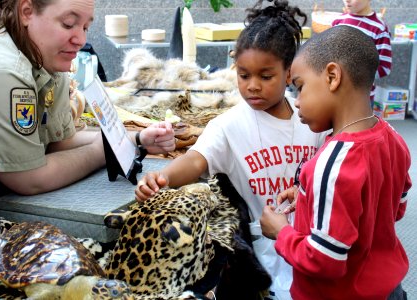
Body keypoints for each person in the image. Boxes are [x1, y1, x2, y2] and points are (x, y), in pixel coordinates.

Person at [135, 0, 327, 298]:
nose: (252, 85)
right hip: (262, 252)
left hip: (313, 243)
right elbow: (196, 160)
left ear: (289, 73)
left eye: (266, 76)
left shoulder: (310, 120)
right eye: (243, 74)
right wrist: (161, 179)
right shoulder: (229, 125)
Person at [0, 0, 175, 197]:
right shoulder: (1, 70)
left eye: (86, 27)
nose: (81, 40)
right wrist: (103, 150)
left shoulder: (41, 51)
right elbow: (29, 179)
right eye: (68, 24)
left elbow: (60, 142)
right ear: (26, 11)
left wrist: (134, 138)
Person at [260, 25, 411, 300]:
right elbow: (394, 207)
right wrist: (308, 197)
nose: (296, 102)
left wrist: (281, 232)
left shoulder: (332, 163)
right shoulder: (392, 137)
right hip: (389, 288)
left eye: (299, 87)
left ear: (332, 76)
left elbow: (323, 259)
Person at [332, 0, 392, 104]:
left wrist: (356, 74)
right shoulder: (337, 21)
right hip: (335, 94)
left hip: (361, 99)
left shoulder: (379, 28)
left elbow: (384, 67)